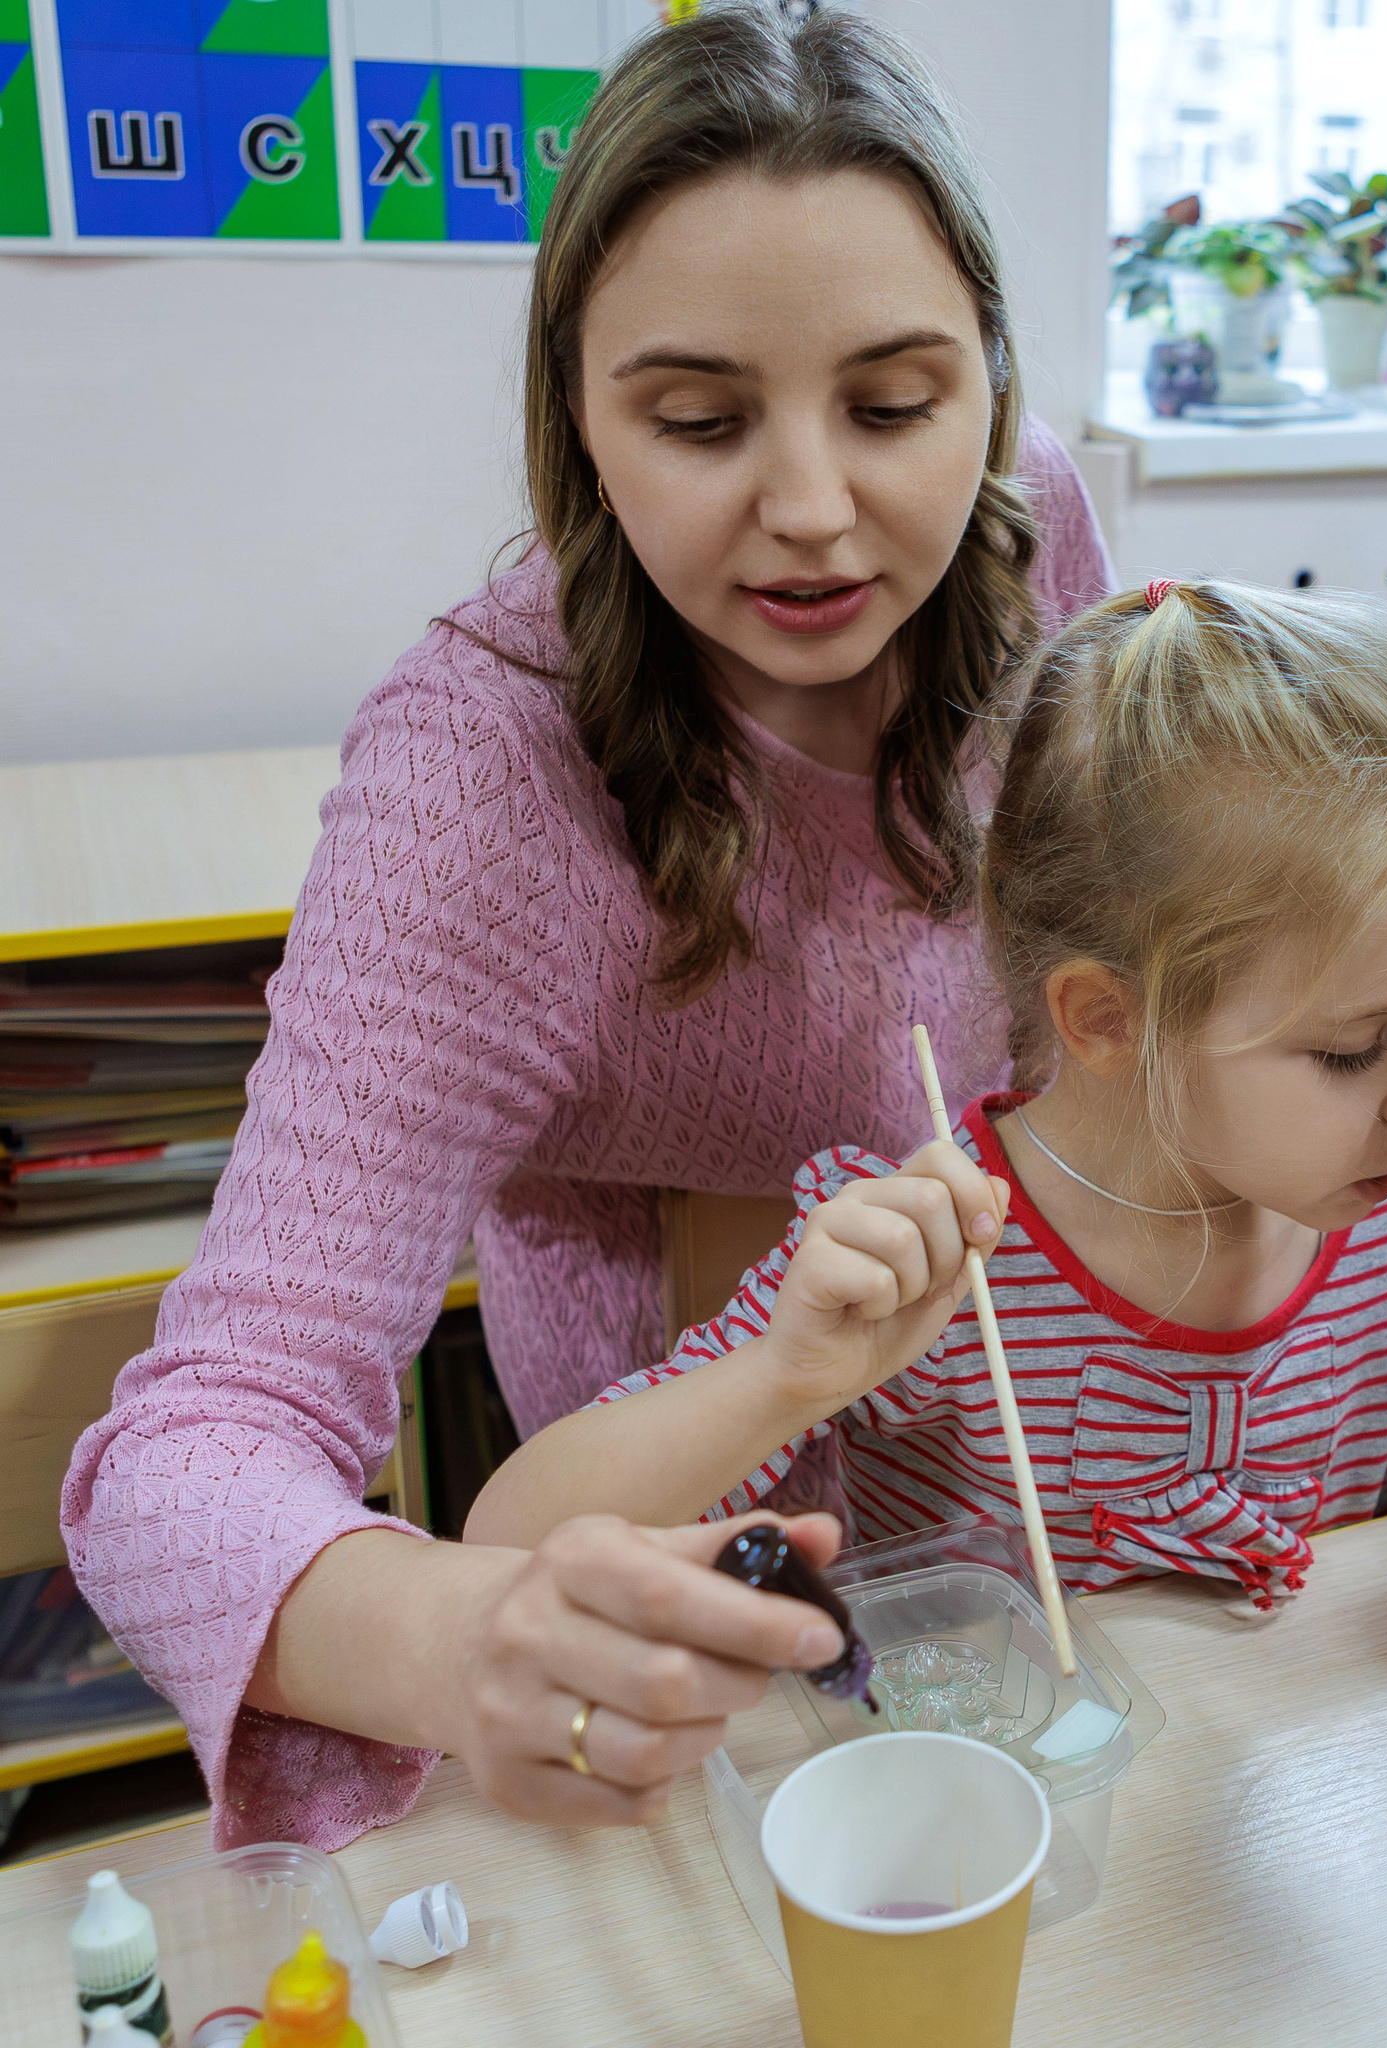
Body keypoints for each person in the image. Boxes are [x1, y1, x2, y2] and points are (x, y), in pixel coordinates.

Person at [60, 8, 1120, 1849]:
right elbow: (184, 1452)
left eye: (894, 406)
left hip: (1045, 1491)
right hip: (685, 1580)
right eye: (698, 420)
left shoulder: (1039, 550)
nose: (810, 511)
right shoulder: (481, 777)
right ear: (577, 417)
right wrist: (456, 1630)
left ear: (999, 390)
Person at [470, 580, 1387, 1618]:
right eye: (1352, 1049)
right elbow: (509, 1544)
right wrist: (784, 1375)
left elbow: (1382, 1576)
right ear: (1106, 1019)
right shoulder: (932, 1265)